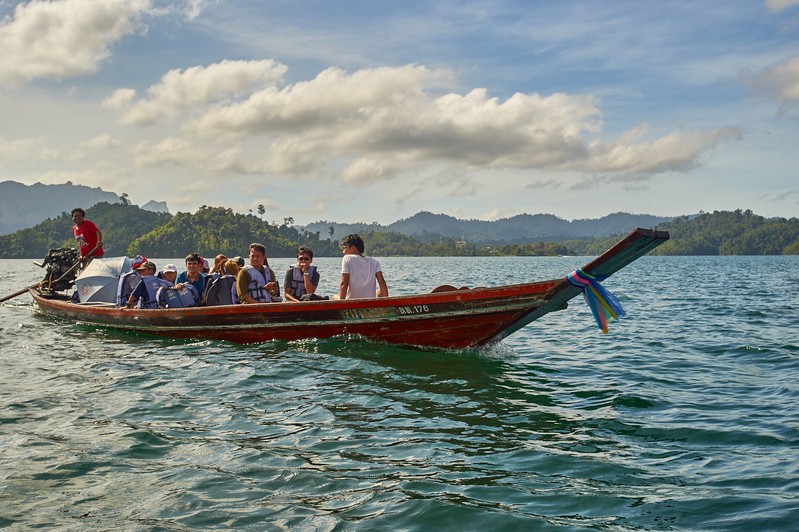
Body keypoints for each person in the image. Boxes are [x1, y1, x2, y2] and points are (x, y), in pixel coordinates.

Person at [336, 234, 388, 300]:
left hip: (352, 301)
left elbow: (344, 283)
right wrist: (386, 301)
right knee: (378, 293)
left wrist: (341, 303)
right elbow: (382, 282)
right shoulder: (374, 261)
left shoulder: (347, 258)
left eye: (344, 248)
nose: (343, 252)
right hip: (369, 301)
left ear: (353, 248)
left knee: (335, 296)